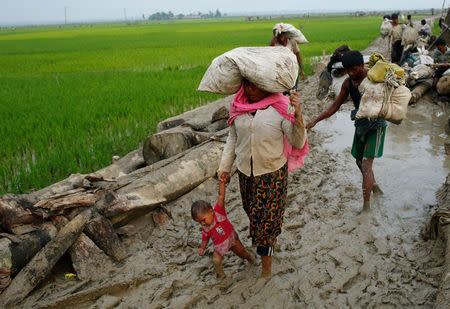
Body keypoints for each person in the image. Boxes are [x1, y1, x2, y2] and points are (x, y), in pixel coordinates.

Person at [217, 78, 308, 280]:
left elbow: (297, 140)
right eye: (246, 85)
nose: (250, 89)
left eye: (255, 85)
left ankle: (266, 272)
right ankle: (264, 245)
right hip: (245, 174)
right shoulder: (237, 107)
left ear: (266, 85)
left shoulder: (281, 107)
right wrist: (225, 167)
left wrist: (298, 113)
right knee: (253, 215)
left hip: (272, 174)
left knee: (267, 225)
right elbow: (232, 138)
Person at [307, 51, 386, 213]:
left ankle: (366, 208)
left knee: (366, 164)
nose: (351, 73)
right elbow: (335, 106)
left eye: (354, 69)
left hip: (376, 125)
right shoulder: (347, 84)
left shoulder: (373, 79)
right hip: (361, 122)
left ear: (362, 66)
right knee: (359, 162)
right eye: (348, 70)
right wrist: (315, 120)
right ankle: (374, 185)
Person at [191, 178, 255, 278]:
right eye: (199, 222)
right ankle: (221, 275)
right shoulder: (206, 228)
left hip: (231, 238)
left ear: (211, 211)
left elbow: (221, 196)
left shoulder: (218, 212)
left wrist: (222, 182)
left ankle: (250, 258)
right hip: (219, 245)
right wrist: (202, 248)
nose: (203, 224)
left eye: (203, 220)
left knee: (242, 253)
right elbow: (205, 238)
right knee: (216, 260)